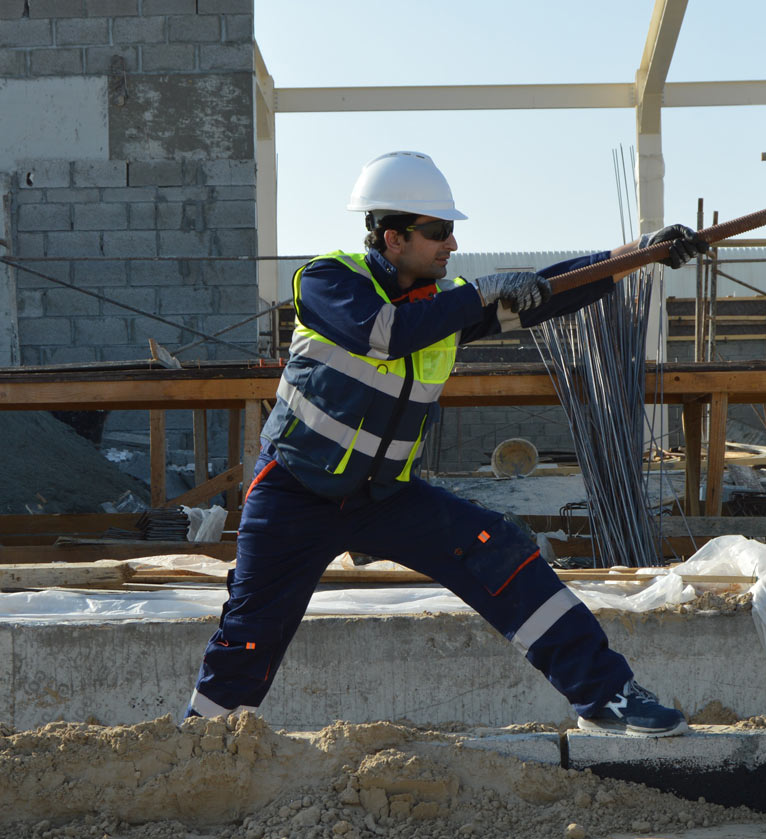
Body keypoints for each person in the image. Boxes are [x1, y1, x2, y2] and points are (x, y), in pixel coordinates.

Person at [186, 151, 708, 736]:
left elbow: (550, 293)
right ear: (392, 237)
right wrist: (480, 294)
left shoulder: (443, 305)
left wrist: (638, 255)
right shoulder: (327, 281)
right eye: (438, 233)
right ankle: (204, 744)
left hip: (383, 496)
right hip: (293, 493)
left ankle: (607, 697)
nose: (451, 245)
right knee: (252, 629)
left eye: (451, 232)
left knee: (502, 551)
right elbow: (383, 335)